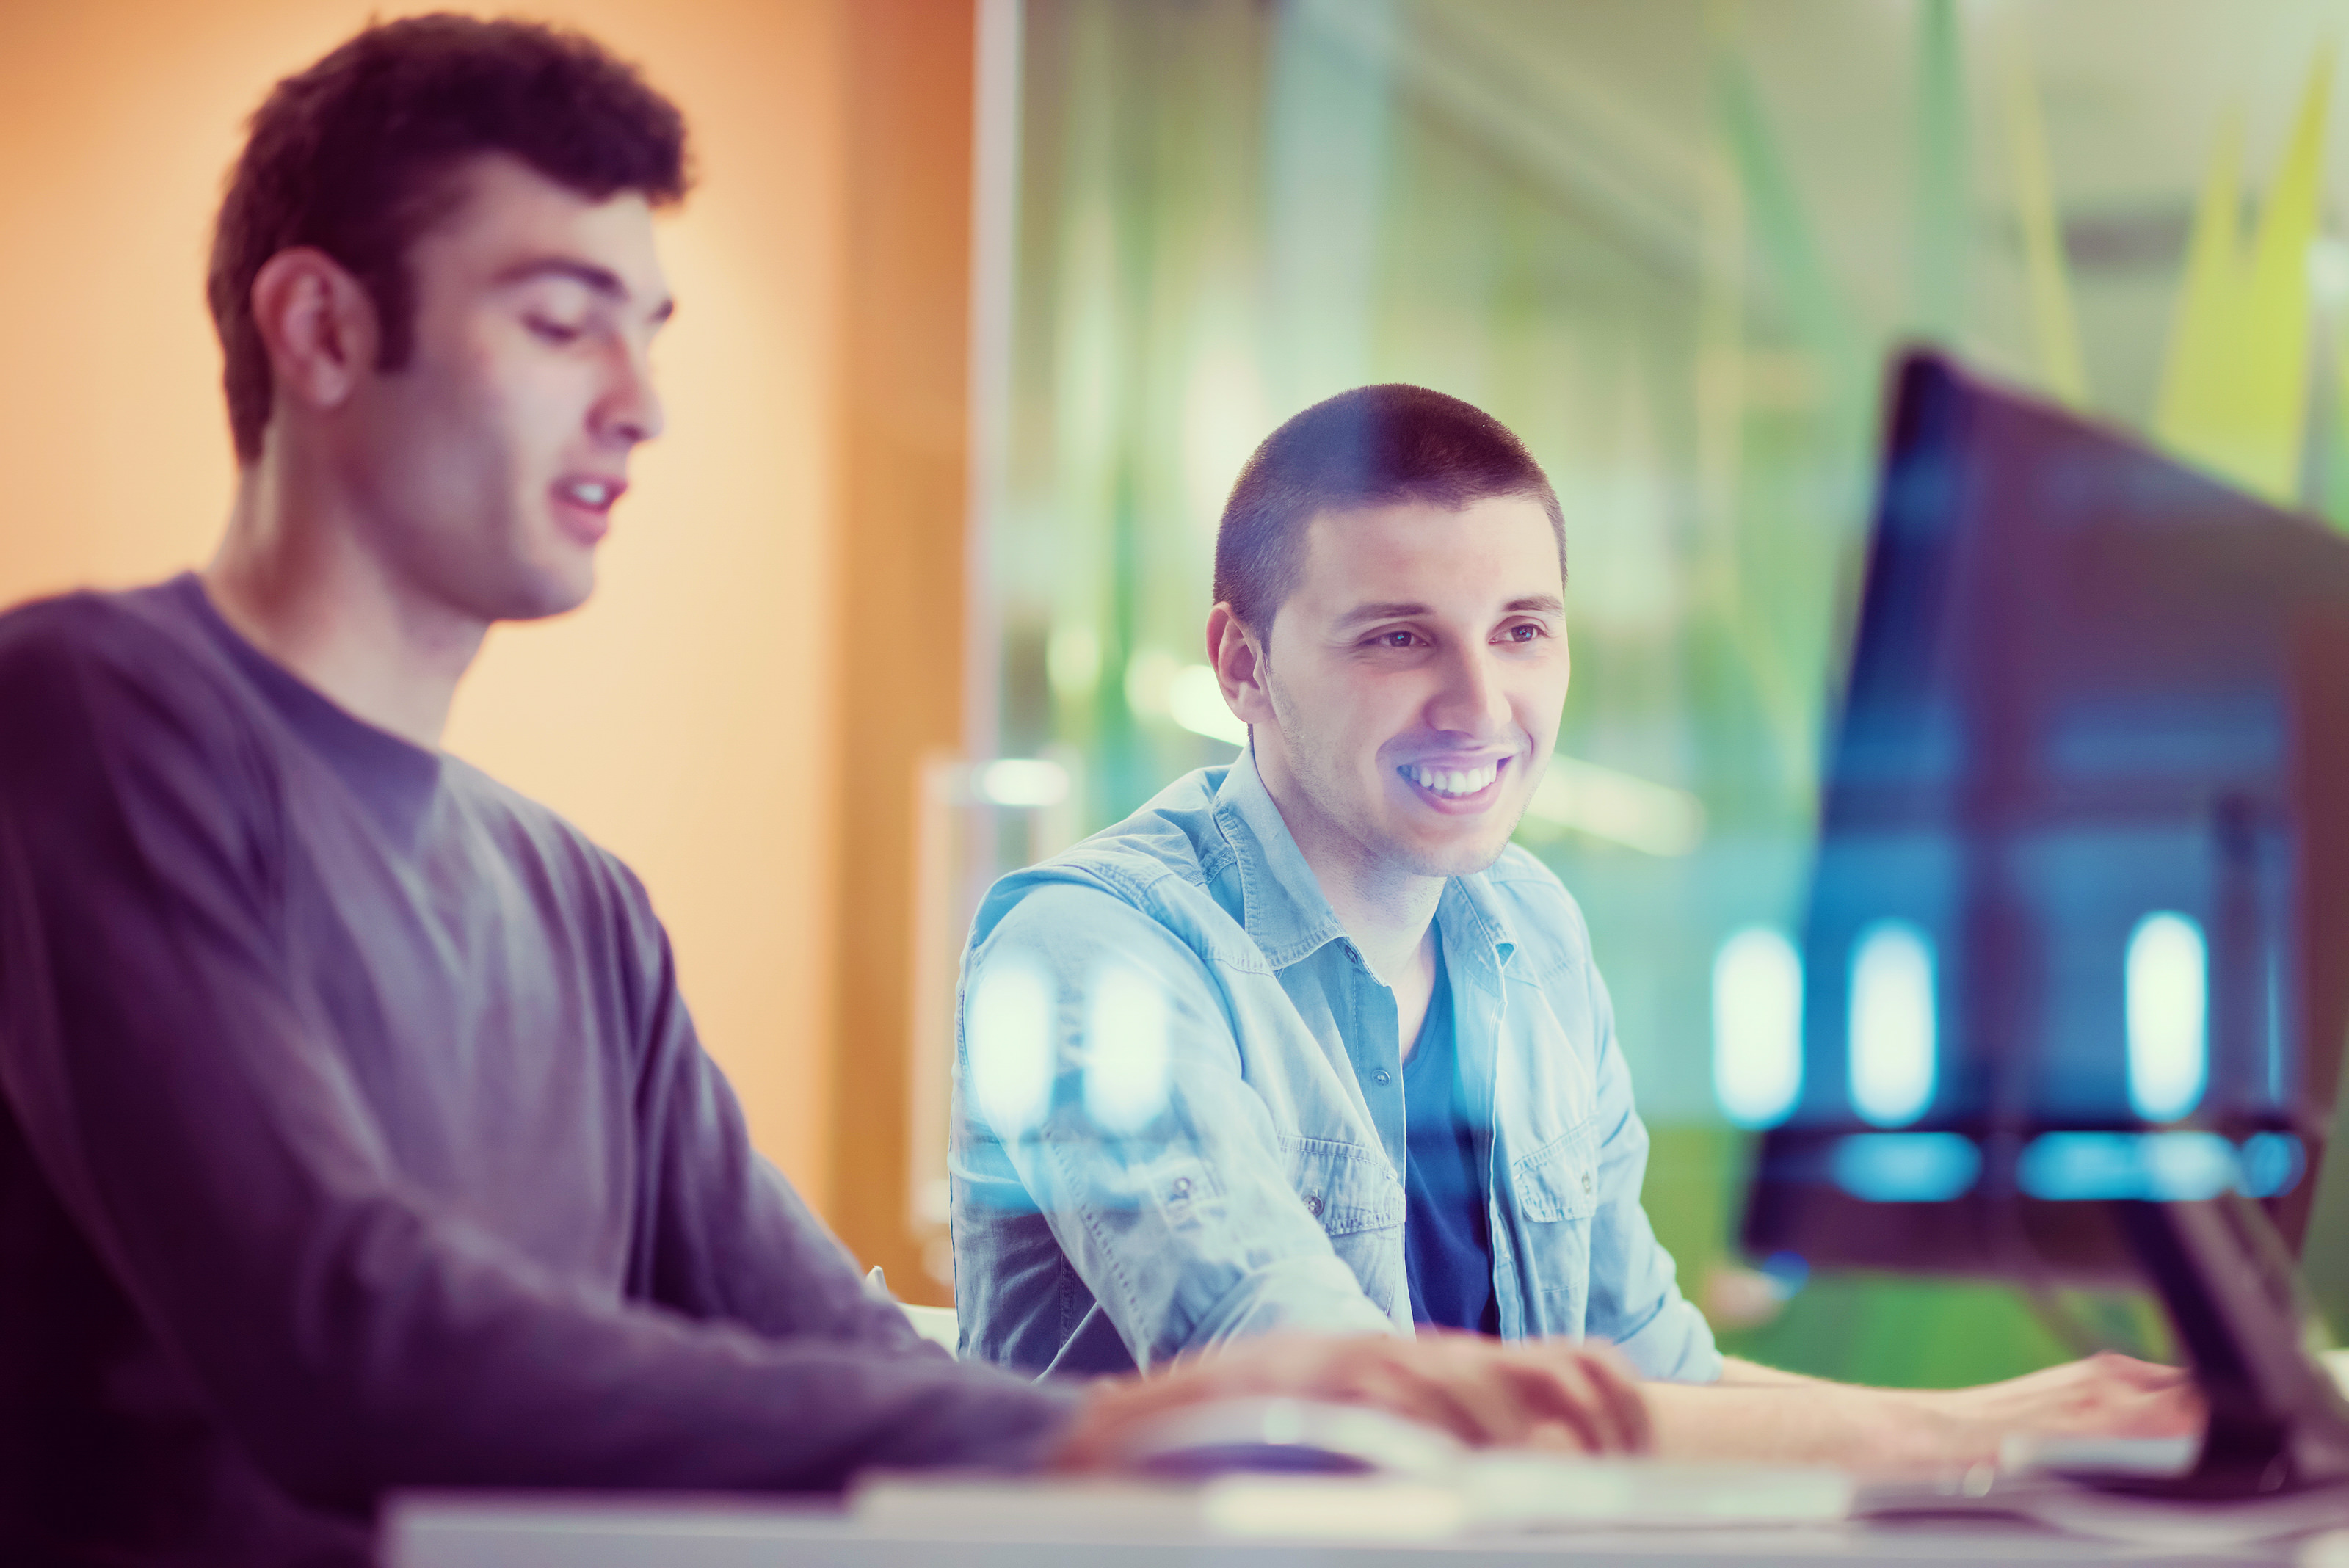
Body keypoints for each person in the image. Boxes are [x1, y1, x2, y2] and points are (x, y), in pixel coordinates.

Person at [0, 21, 1648, 1567]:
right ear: (323, 329)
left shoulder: (572, 900)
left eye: (647, 336)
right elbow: (346, 1332)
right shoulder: (97, 718)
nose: (637, 405)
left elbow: (824, 1341)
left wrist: (1160, 1432)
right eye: (562, 322)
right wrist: (1093, 1437)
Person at [950, 382, 2200, 1467]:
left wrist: (2039, 1424)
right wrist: (1980, 1438)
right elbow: (1334, 1416)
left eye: (1523, 632)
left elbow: (1652, 1379)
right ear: (1240, 664)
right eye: (1398, 639)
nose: (1481, 706)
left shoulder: (1524, 929)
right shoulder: (1092, 958)